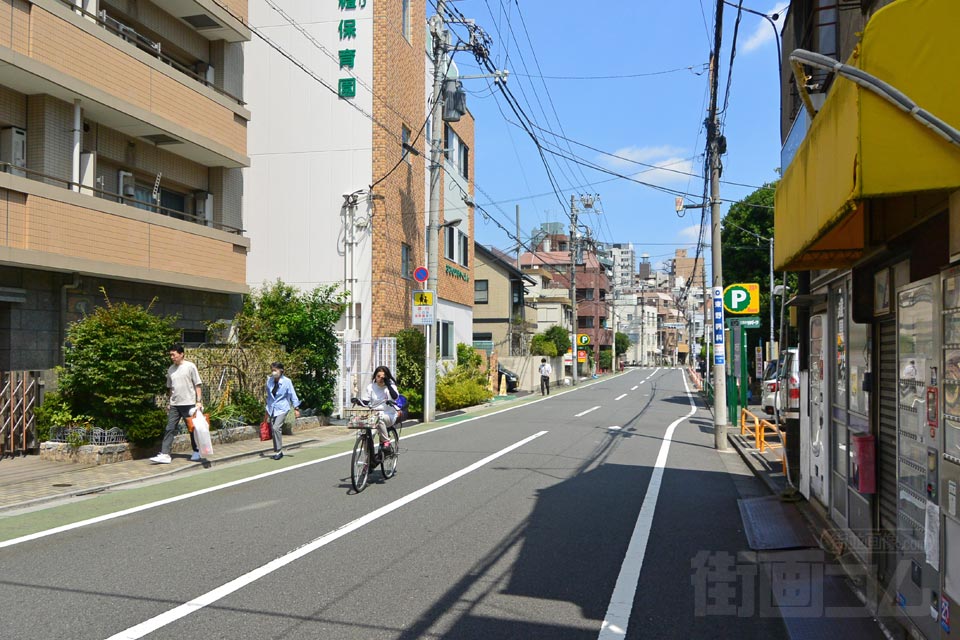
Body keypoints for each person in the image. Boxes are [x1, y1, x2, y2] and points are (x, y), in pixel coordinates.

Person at [150, 343, 202, 464]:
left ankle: (196, 451)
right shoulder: (171, 369)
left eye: (174, 354)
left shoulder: (190, 366)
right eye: (171, 355)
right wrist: (169, 402)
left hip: (189, 404)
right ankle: (165, 454)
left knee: (192, 429)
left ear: (181, 354)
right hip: (175, 405)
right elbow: (170, 388)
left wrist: (198, 401)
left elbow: (197, 384)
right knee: (169, 428)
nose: (172, 357)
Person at [264, 362, 300, 460]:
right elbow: (269, 397)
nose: (273, 372)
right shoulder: (269, 381)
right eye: (272, 370)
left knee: (276, 428)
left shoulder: (287, 381)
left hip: (283, 408)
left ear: (281, 371)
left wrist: (296, 408)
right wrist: (267, 410)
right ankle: (277, 451)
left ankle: (279, 451)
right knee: (273, 429)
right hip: (272, 408)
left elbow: (293, 394)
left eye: (275, 370)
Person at [362, 365, 399, 453]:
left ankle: (386, 442)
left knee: (379, 417)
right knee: (367, 434)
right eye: (378, 376)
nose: (380, 379)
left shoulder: (390, 387)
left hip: (389, 415)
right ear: (375, 376)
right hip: (374, 417)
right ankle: (368, 461)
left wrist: (388, 385)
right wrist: (359, 401)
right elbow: (366, 401)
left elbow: (395, 397)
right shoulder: (371, 387)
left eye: (383, 377)